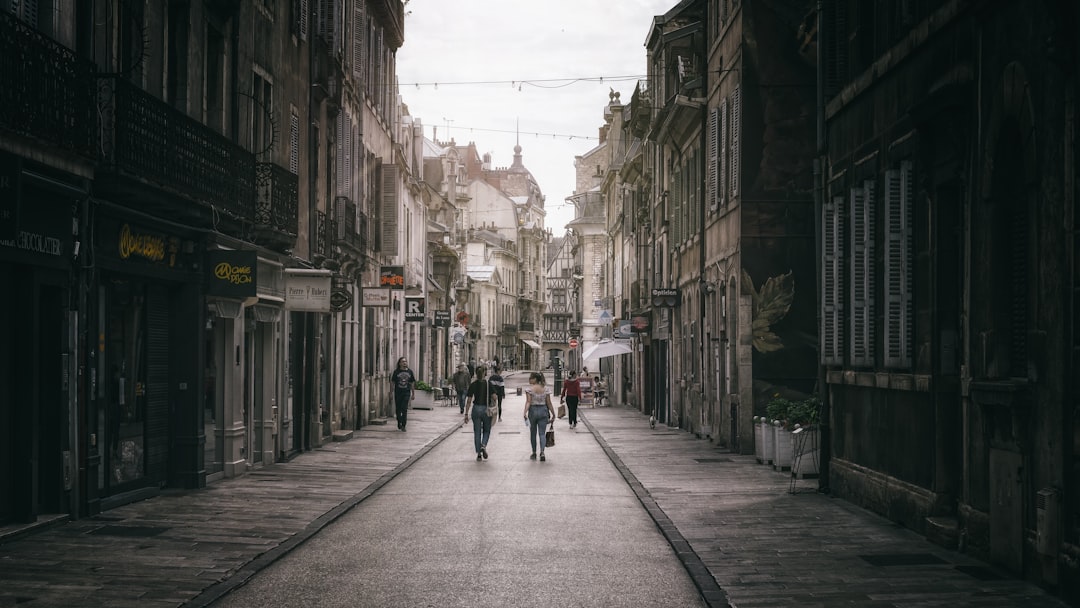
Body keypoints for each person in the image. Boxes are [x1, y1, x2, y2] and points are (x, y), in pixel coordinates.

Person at [522, 371, 556, 461]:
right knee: (542, 433)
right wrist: (553, 413)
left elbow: (528, 402)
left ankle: (534, 453)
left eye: (531, 378)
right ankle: (542, 452)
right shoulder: (545, 389)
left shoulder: (530, 389)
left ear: (535, 379)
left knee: (533, 433)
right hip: (543, 411)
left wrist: (525, 412)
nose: (529, 379)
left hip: (532, 411)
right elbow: (549, 402)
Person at [464, 365, 494, 461]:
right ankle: (483, 445)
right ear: (485, 373)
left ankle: (479, 454)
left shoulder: (473, 384)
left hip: (476, 409)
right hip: (486, 409)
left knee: (477, 432)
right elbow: (495, 397)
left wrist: (466, 414)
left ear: (476, 374)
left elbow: (469, 400)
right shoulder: (488, 384)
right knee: (487, 430)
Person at [390, 357, 415, 431]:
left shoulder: (410, 372)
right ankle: (399, 421)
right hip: (398, 392)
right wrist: (391, 393)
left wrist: (413, 393)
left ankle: (404, 425)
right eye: (403, 361)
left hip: (406, 392)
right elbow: (392, 382)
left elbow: (412, 383)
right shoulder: (396, 372)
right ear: (399, 363)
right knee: (398, 409)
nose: (404, 363)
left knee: (404, 409)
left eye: (405, 361)